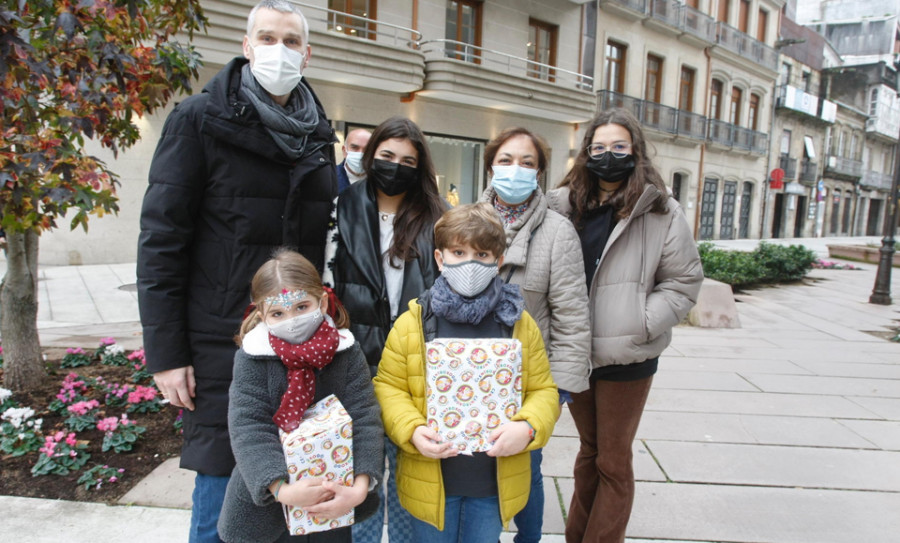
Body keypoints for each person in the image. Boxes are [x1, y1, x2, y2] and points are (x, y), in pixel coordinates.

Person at [136, 2, 338, 541]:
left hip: (297, 340)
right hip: (220, 341)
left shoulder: (317, 133)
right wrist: (167, 355)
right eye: (267, 38)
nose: (280, 49)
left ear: (307, 52)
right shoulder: (197, 120)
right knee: (221, 495)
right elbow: (161, 244)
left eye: (291, 40)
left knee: (287, 491)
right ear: (247, 47)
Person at [546, 108, 703, 543]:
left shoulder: (658, 209)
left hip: (629, 356)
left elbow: (685, 280)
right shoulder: (561, 204)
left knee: (613, 460)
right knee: (588, 452)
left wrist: (641, 321)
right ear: (585, 153)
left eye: (618, 147)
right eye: (598, 148)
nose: (608, 156)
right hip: (575, 351)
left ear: (635, 150)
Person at [373, 203, 559, 543]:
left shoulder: (517, 321)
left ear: (498, 262)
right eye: (458, 252)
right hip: (431, 480)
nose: (470, 263)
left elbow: (543, 390)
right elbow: (389, 387)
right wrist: (411, 429)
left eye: (483, 254)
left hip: (493, 483)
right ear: (441, 259)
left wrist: (528, 426)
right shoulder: (413, 321)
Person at [322, 116, 447, 543]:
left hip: (418, 365)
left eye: (408, 160)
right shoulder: (341, 207)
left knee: (411, 474)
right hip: (355, 363)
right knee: (363, 473)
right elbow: (326, 284)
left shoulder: (438, 217)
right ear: (371, 155)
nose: (396, 166)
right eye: (387, 156)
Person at [218, 249, 383, 543]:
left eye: (301, 307)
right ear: (261, 314)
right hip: (269, 509)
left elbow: (364, 417)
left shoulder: (346, 351)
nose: (291, 319)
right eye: (278, 313)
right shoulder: (252, 357)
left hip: (335, 498)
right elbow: (249, 427)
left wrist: (360, 486)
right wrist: (282, 489)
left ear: (321, 301)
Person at [479, 127, 591, 543]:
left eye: (527, 162)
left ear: (540, 172)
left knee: (527, 467)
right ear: (491, 164)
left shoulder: (558, 232)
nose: (515, 169)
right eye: (506, 160)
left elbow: (572, 317)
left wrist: (560, 388)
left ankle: (529, 538)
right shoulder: (465, 220)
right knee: (475, 470)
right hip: (469, 375)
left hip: (529, 380)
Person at [336, 128, 372, 194]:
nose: (361, 153)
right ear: (344, 151)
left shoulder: (379, 183)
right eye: (355, 148)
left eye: (367, 149)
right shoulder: (328, 177)